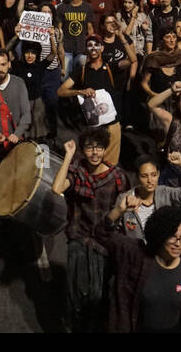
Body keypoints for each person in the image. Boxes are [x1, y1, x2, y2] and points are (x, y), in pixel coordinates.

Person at [53, 129, 131, 332]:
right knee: (75, 293)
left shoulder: (117, 176)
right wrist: (68, 156)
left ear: (105, 149)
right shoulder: (77, 171)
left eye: (99, 147)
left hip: (104, 240)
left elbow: (125, 212)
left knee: (98, 295)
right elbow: (57, 188)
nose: (94, 152)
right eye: (89, 147)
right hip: (79, 236)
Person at [105, 205, 181, 332]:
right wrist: (118, 211)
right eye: (172, 237)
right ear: (160, 235)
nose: (178, 243)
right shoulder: (137, 255)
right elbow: (102, 234)